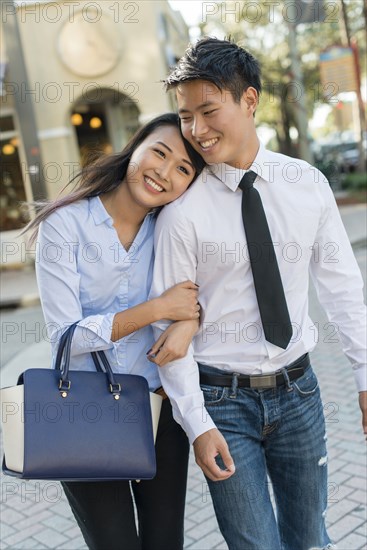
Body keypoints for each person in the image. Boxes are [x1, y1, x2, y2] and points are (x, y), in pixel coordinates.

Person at [149, 38, 367, 550]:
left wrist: (364, 375)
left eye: (208, 110)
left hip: (301, 391)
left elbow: (342, 288)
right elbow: (167, 331)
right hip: (222, 402)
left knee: (310, 536)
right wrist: (197, 424)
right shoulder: (182, 214)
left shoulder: (306, 184)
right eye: (184, 117)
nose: (197, 131)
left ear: (249, 101)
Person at [24, 113, 206, 550]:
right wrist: (158, 309)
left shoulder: (173, 229)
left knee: (166, 543)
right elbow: (68, 334)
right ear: (135, 148)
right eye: (159, 153)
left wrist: (190, 319)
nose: (164, 173)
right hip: (82, 413)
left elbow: (203, 294)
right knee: (115, 544)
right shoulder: (66, 224)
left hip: (157, 409)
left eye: (183, 168)